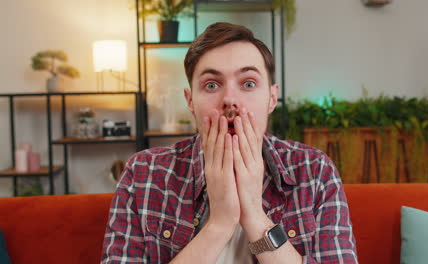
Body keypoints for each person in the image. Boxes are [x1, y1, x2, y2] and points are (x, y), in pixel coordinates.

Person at [101, 22, 358, 264]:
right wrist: (220, 224)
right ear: (190, 101)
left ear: (271, 98)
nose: (230, 100)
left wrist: (255, 217)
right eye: (212, 85)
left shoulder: (314, 171)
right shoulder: (143, 174)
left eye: (248, 83)